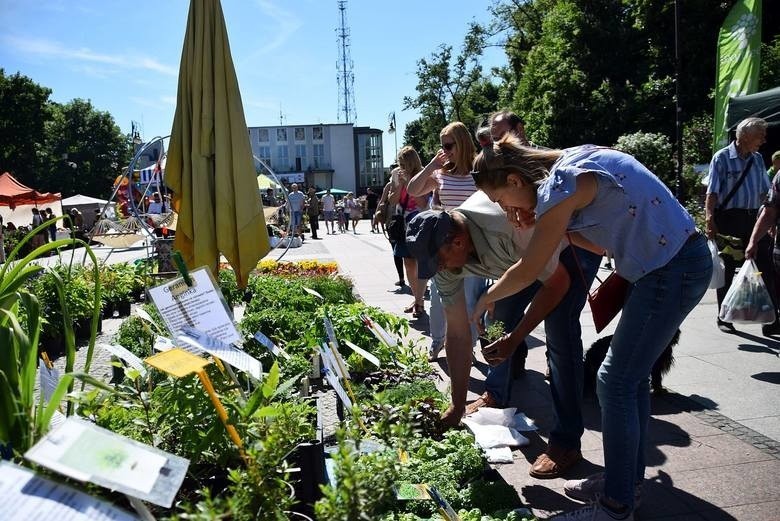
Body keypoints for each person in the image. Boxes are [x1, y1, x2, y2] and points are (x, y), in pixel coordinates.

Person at [470, 136, 711, 520]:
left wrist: (485, 299)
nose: (504, 208)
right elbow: (600, 243)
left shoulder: (560, 184)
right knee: (627, 381)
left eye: (500, 199)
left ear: (515, 181)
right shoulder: (572, 163)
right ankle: (625, 482)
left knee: (614, 381)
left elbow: (529, 269)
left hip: (670, 271)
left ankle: (616, 506)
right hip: (672, 265)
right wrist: (550, 222)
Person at [408, 121, 487, 362]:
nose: (446, 150)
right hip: (443, 246)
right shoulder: (441, 174)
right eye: (442, 145)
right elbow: (413, 190)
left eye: (450, 145)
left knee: (472, 299)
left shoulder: (480, 171)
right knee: (438, 299)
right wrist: (432, 164)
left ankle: (469, 347)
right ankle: (437, 341)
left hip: (474, 245)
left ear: (463, 143)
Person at [705, 117, 777, 335]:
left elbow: (765, 192)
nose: (764, 140)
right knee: (728, 268)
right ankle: (724, 317)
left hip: (754, 218)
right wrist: (709, 219)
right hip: (729, 219)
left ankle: (770, 318)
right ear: (745, 136)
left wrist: (769, 219)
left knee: (765, 266)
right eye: (760, 136)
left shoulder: (757, 159)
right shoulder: (722, 158)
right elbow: (712, 192)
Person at [389, 146, 430, 318]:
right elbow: (392, 200)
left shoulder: (424, 174)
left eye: (405, 163)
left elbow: (422, 203)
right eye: (400, 163)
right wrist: (400, 185)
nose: (402, 166)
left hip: (421, 225)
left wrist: (409, 183)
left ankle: (419, 301)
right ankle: (416, 298)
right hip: (403, 226)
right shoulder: (396, 175)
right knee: (408, 263)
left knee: (421, 263)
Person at [376, 172, 407, 289]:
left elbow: (382, 201)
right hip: (406, 220)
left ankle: (402, 278)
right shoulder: (408, 182)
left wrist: (377, 215)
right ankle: (413, 279)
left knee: (396, 250)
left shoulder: (390, 185)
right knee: (411, 251)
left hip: (393, 222)